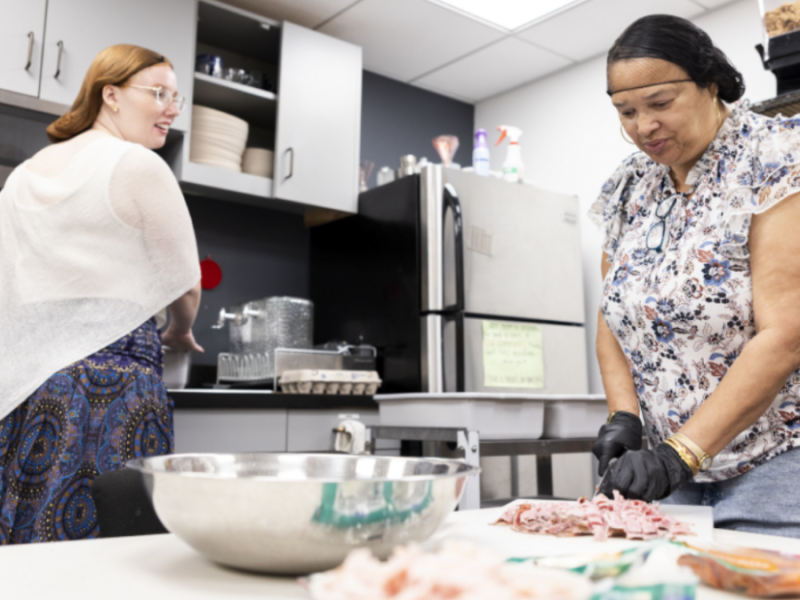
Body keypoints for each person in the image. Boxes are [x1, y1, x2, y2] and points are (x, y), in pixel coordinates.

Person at [590, 14, 800, 537]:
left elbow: (786, 334)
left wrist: (680, 453)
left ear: (711, 84)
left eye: (660, 103)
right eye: (627, 111)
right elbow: (615, 311)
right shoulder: (629, 186)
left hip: (776, 465)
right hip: (671, 475)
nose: (644, 126)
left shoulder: (775, 157)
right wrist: (625, 419)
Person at [0, 44, 202, 544]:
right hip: (113, 388)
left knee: (27, 548)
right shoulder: (137, 164)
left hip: (28, 387)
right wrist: (181, 330)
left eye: (177, 98)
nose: (172, 109)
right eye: (159, 93)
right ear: (110, 95)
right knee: (113, 553)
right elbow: (187, 282)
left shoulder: (21, 178)